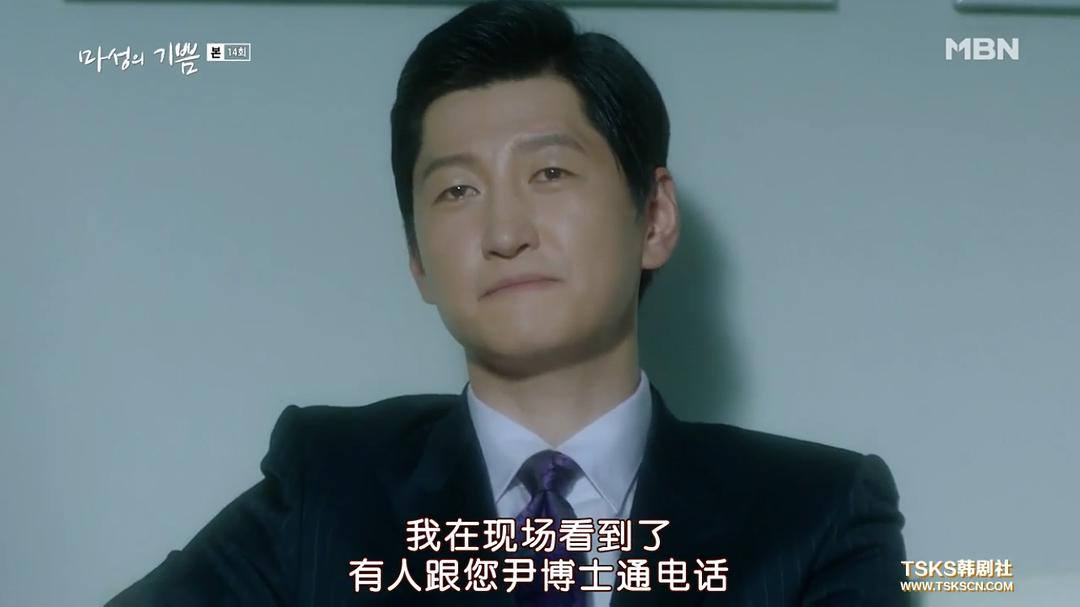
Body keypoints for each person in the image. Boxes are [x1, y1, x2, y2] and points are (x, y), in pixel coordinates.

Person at [106, 1, 908, 605]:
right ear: (418, 260)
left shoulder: (818, 512)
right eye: (456, 190)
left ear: (655, 217)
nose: (504, 232)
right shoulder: (328, 482)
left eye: (549, 173)